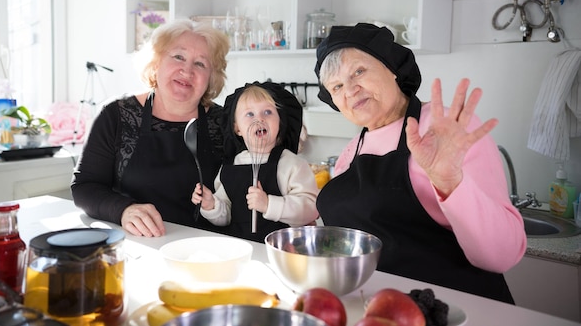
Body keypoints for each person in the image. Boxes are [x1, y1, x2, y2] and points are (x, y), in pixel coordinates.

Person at [313, 22, 526, 303]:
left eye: (359, 72)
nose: (350, 90)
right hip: (381, 312)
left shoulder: (448, 129)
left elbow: (502, 255)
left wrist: (450, 182)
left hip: (455, 310)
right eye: (337, 86)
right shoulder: (351, 152)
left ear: (391, 69)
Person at [71, 18, 230, 237]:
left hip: (202, 250)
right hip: (137, 245)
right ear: (156, 63)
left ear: (211, 77)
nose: (187, 70)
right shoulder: (116, 115)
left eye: (200, 63)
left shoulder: (226, 122)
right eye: (178, 57)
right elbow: (85, 187)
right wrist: (123, 210)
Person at [191, 81, 319, 242]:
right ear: (236, 127)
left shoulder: (292, 164)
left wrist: (268, 205)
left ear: (280, 122)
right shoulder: (229, 167)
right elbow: (226, 217)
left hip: (281, 251)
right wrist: (211, 205)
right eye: (249, 114)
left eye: (267, 112)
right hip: (240, 250)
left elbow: (310, 209)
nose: (259, 119)